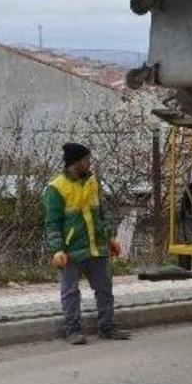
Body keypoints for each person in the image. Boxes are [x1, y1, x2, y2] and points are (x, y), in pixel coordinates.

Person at [44, 143, 130, 344]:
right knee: (70, 292)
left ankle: (107, 327)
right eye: (86, 159)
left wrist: (109, 238)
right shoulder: (56, 188)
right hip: (71, 250)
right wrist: (57, 250)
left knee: (104, 289)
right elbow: (52, 223)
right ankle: (73, 330)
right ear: (76, 162)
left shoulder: (92, 182)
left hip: (96, 247)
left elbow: (100, 214)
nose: (89, 162)